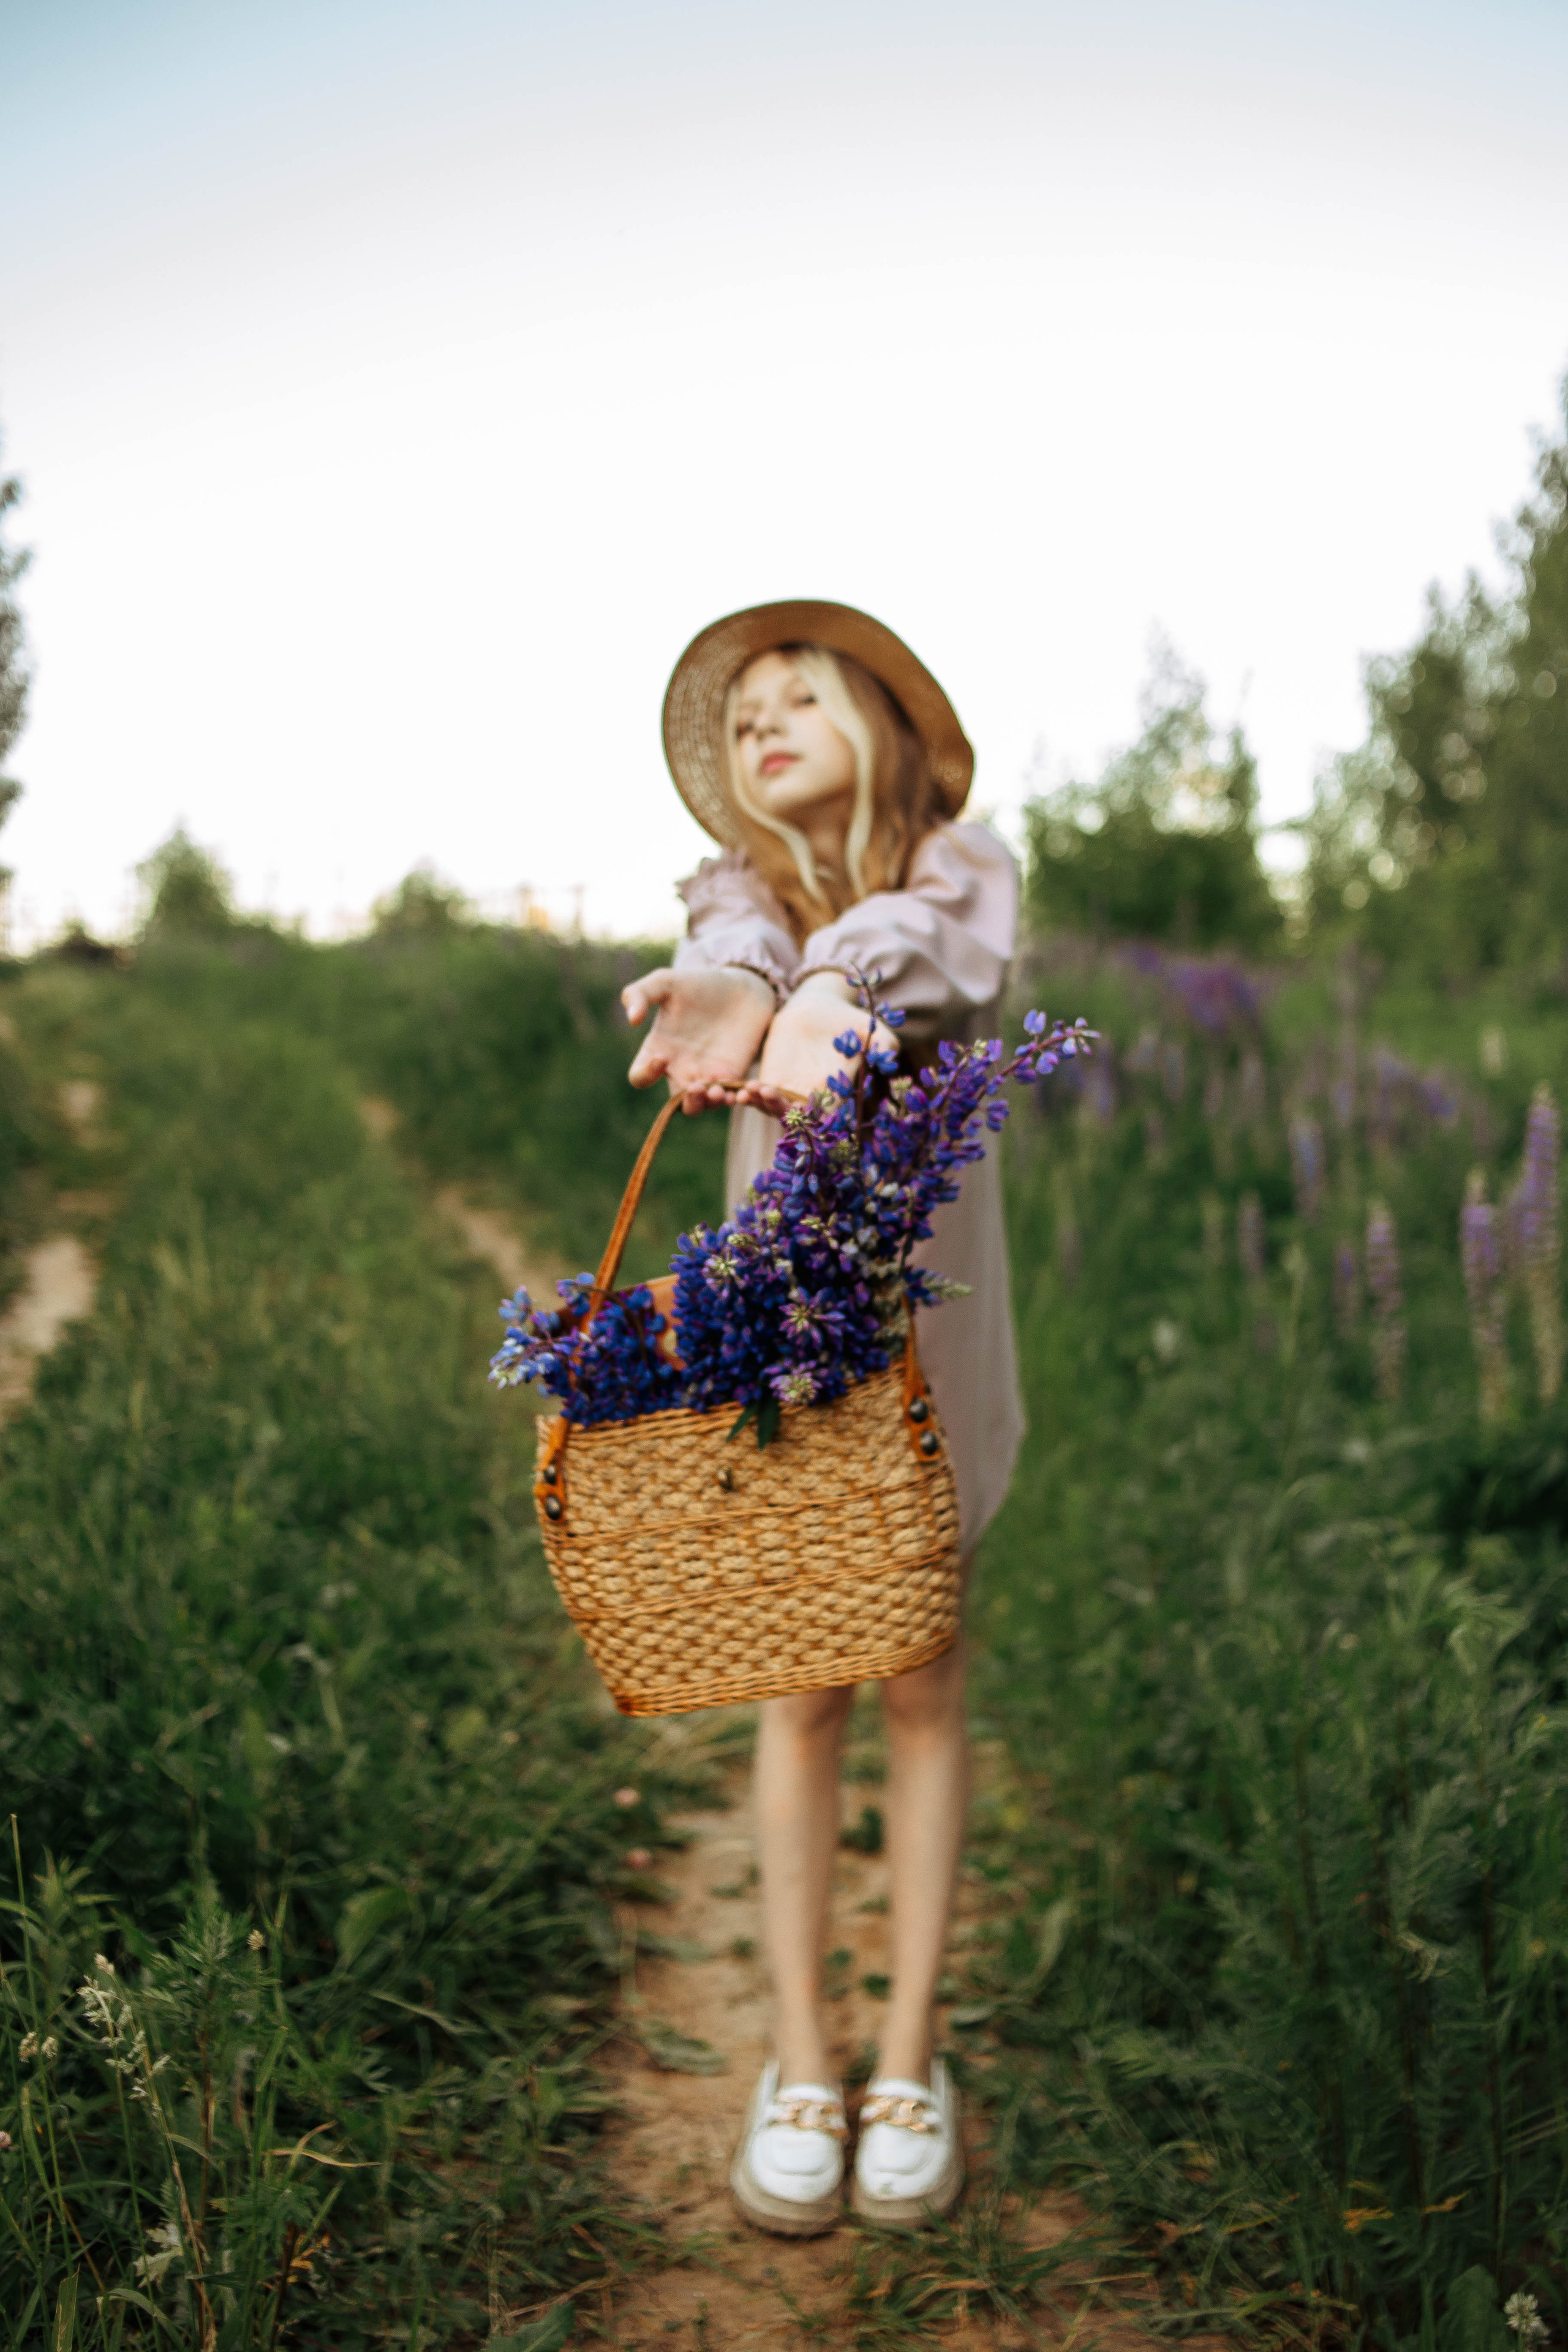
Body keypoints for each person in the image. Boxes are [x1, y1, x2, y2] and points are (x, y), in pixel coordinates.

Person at [622, 600, 1020, 2235]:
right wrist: (753, 990)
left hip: (938, 1342)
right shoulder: (739, 898)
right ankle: (801, 2053)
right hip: (788, 1339)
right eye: (738, 720)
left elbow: (931, 953)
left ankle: (909, 2053)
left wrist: (831, 985)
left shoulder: (959, 872)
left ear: (880, 716)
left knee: (923, 1684)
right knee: (799, 1688)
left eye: (797, 693)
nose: (761, 722)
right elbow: (737, 953)